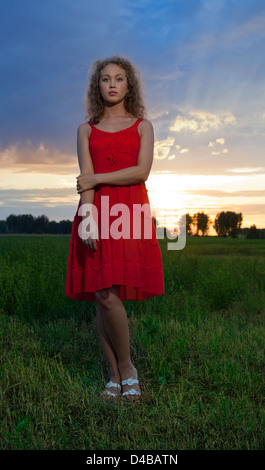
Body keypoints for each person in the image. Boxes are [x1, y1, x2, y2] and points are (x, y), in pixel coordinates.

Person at [65, 56, 164, 402]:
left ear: (128, 86)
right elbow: (85, 183)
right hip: (96, 213)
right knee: (101, 295)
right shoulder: (85, 130)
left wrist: (95, 178)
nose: (111, 84)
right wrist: (87, 217)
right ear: (98, 86)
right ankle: (116, 373)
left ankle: (127, 369)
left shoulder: (142, 126)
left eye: (119, 79)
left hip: (130, 214)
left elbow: (141, 172)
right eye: (105, 79)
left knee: (110, 295)